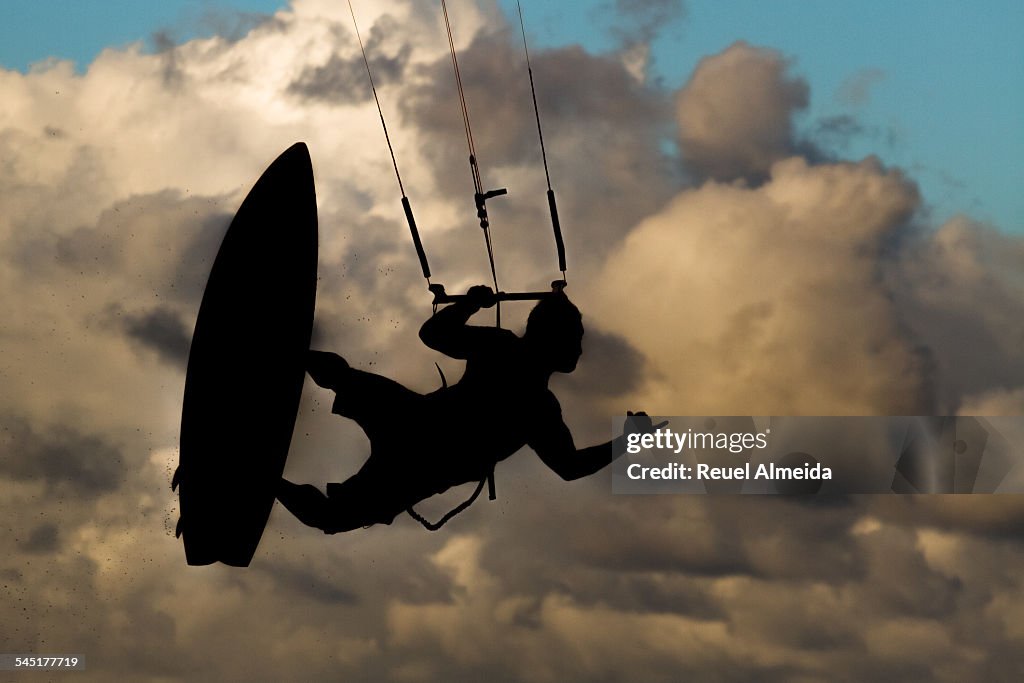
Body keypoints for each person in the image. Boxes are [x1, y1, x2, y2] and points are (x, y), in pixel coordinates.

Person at [276, 285, 656, 533]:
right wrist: (627, 443)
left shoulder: (533, 397)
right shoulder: (530, 392)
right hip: (418, 438)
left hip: (416, 446)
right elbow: (433, 335)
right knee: (343, 383)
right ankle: (277, 356)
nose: (580, 350)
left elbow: (570, 468)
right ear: (552, 338)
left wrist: (470, 304)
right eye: (576, 340)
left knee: (332, 513)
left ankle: (264, 475)